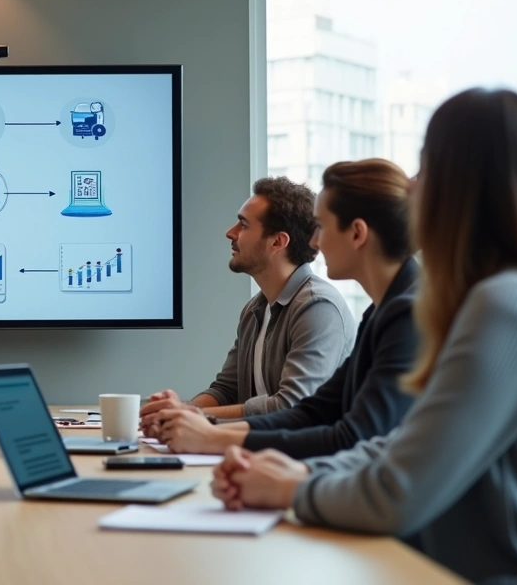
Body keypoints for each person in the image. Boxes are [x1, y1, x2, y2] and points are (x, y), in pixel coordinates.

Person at [211, 88, 517, 584]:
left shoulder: (509, 308)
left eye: (424, 168)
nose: (411, 187)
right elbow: (399, 445)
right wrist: (299, 474)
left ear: (461, 187)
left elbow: (398, 491)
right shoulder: (482, 301)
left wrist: (288, 490)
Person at [156, 159, 418, 458]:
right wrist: (195, 422)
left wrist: (210, 434)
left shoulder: (398, 313)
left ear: (357, 233)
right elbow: (313, 412)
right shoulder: (379, 311)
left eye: (321, 227)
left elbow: (349, 434)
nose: (315, 241)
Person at [142, 177, 355, 428]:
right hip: (257, 450)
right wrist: (181, 412)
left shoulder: (318, 307)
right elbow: (226, 390)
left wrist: (196, 418)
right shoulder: (255, 308)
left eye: (243, 225)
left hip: (300, 461)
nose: (230, 232)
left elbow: (292, 405)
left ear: (278, 242)